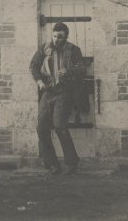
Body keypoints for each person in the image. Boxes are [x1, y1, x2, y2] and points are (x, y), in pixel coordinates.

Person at [29, 22, 84, 175]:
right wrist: (39, 81)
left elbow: (82, 69)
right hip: (48, 91)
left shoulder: (73, 50)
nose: (56, 40)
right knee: (41, 128)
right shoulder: (44, 48)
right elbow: (33, 66)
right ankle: (52, 164)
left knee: (60, 126)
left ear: (66, 37)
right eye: (54, 36)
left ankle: (72, 163)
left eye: (59, 37)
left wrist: (69, 71)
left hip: (64, 92)